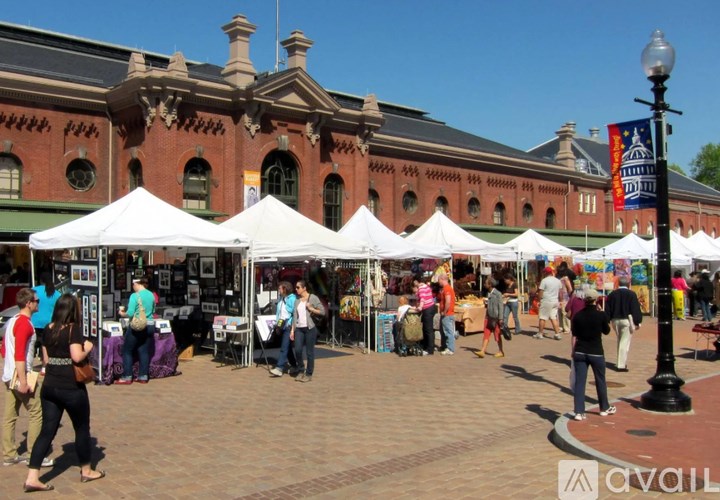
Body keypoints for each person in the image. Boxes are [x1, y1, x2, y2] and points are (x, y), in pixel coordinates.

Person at [23, 293, 105, 492]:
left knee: (47, 431)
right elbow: (77, 357)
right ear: (73, 311)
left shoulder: (48, 330)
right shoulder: (72, 330)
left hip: (50, 385)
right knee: (82, 428)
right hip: (71, 387)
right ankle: (86, 469)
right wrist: (88, 347)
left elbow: (46, 361)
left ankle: (32, 476)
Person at [2, 288, 53, 468]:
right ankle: (33, 453)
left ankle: (9, 453)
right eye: (36, 301)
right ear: (28, 303)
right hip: (20, 374)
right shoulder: (24, 324)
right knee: (36, 412)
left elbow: (5, 350)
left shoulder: (13, 321)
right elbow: (20, 356)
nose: (38, 303)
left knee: (10, 415)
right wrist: (23, 381)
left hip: (9, 374)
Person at [570, 288, 616, 421]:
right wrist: (603, 313)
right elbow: (606, 331)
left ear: (584, 300)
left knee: (580, 382)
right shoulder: (600, 315)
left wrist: (573, 351)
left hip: (580, 350)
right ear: (596, 300)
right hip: (595, 351)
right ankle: (604, 407)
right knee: (600, 380)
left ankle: (579, 411)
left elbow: (574, 334)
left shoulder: (578, 316)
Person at [117, 277, 156, 384]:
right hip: (150, 325)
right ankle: (143, 376)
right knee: (143, 350)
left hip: (138, 325)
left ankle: (127, 376)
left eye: (133, 285)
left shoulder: (135, 296)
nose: (133, 287)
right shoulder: (151, 295)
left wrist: (121, 313)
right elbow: (153, 310)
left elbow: (130, 313)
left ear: (137, 284)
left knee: (127, 350)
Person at [605, 276, 642, 372]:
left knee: (620, 340)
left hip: (615, 320)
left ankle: (620, 361)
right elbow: (635, 308)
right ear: (628, 284)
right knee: (624, 342)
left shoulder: (612, 294)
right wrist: (637, 321)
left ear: (619, 284)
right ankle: (621, 365)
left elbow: (608, 308)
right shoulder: (631, 294)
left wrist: (607, 319)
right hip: (626, 320)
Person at [291, 280, 325, 383]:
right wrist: (292, 330)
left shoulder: (312, 298)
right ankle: (301, 369)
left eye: (298, 287)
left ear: (304, 288)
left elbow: (322, 311)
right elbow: (294, 316)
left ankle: (309, 373)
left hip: (310, 328)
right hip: (299, 329)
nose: (296, 289)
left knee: (309, 352)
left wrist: (311, 308)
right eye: (296, 288)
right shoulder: (297, 300)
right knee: (297, 350)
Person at [269, 281, 299, 378]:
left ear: (285, 289)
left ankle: (279, 368)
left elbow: (294, 313)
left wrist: (291, 326)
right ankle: (294, 365)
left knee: (284, 347)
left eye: (280, 288)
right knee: (288, 347)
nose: (278, 290)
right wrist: (278, 324)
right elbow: (279, 313)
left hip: (288, 326)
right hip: (282, 325)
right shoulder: (281, 298)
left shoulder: (292, 299)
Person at [31, 272, 61, 359]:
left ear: (40, 280)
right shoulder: (57, 294)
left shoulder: (33, 291)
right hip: (49, 324)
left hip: (34, 323)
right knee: (45, 348)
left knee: (31, 346)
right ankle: (43, 366)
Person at [475, 277, 504, 358]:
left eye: (486, 283)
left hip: (495, 317)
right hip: (488, 317)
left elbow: (500, 306)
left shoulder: (498, 294)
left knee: (497, 335)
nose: (485, 285)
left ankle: (501, 351)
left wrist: (500, 318)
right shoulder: (489, 293)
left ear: (490, 284)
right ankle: (482, 350)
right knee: (486, 333)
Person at [534, 267, 562, 340]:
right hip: (555, 300)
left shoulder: (544, 281)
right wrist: (560, 300)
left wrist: (539, 300)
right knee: (553, 317)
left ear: (545, 273)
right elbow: (560, 292)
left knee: (542, 317)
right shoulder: (557, 281)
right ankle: (557, 334)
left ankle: (540, 333)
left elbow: (541, 291)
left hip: (546, 300)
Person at [413, 275, 436, 355]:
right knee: (428, 329)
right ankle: (428, 346)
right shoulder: (426, 286)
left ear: (416, 281)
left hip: (427, 309)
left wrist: (420, 307)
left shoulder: (421, 288)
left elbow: (422, 298)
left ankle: (430, 349)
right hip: (431, 307)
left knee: (428, 329)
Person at [437, 274, 456, 355]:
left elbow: (448, 301)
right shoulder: (445, 288)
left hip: (447, 314)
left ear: (442, 279)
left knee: (448, 331)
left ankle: (450, 348)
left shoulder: (447, 289)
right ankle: (445, 346)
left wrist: (444, 312)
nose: (438, 282)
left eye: (439, 280)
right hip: (446, 313)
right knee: (443, 331)